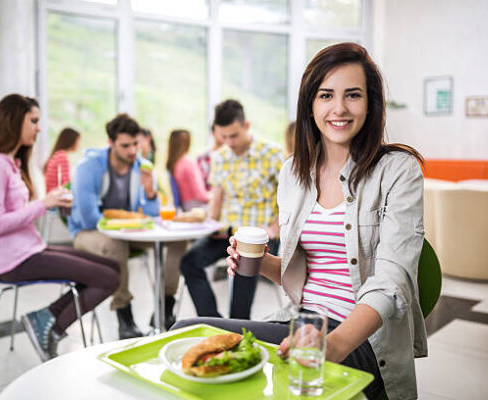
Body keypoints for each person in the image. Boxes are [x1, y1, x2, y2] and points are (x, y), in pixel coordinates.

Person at [173, 43, 427, 400]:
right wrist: (262, 263)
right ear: (310, 103)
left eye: (352, 95)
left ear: (370, 103)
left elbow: (391, 282)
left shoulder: (398, 171)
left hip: (361, 341)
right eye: (326, 95)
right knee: (185, 332)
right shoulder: (293, 172)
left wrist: (332, 344)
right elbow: (306, 273)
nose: (339, 108)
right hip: (299, 323)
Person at [0, 94, 119, 362]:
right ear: (14, 120)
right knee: (108, 279)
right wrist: (43, 203)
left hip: (31, 249)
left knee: (113, 269)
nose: (39, 128)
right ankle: (51, 323)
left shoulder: (10, 163)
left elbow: (19, 214)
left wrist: (50, 203)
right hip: (14, 260)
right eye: (34, 120)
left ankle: (45, 318)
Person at [68, 113, 187, 338]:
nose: (133, 151)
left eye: (135, 144)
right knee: (115, 244)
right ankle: (125, 317)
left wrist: (150, 192)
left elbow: (151, 214)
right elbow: (88, 219)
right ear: (111, 143)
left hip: (125, 232)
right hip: (88, 234)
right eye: (125, 145)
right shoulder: (88, 168)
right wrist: (128, 221)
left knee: (179, 240)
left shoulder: (139, 166)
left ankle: (164, 306)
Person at [179, 99, 284, 320]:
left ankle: (236, 324)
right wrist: (210, 224)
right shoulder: (220, 157)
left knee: (242, 280)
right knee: (189, 262)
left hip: (257, 237)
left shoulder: (273, 154)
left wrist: (275, 228)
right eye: (223, 137)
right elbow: (216, 198)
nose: (228, 142)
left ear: (246, 126)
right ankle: (214, 322)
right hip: (225, 233)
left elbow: (288, 200)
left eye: (233, 136)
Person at [166, 129, 210, 211]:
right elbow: (201, 195)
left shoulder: (173, 165)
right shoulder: (188, 163)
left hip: (185, 207)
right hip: (198, 207)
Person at [44, 127, 81, 192]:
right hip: (57, 198)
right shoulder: (62, 157)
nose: (79, 144)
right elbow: (66, 185)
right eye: (78, 140)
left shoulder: (57, 154)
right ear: (71, 141)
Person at [196, 124, 224, 191]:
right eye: (221, 132)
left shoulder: (234, 157)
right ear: (213, 133)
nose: (225, 135)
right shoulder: (203, 157)